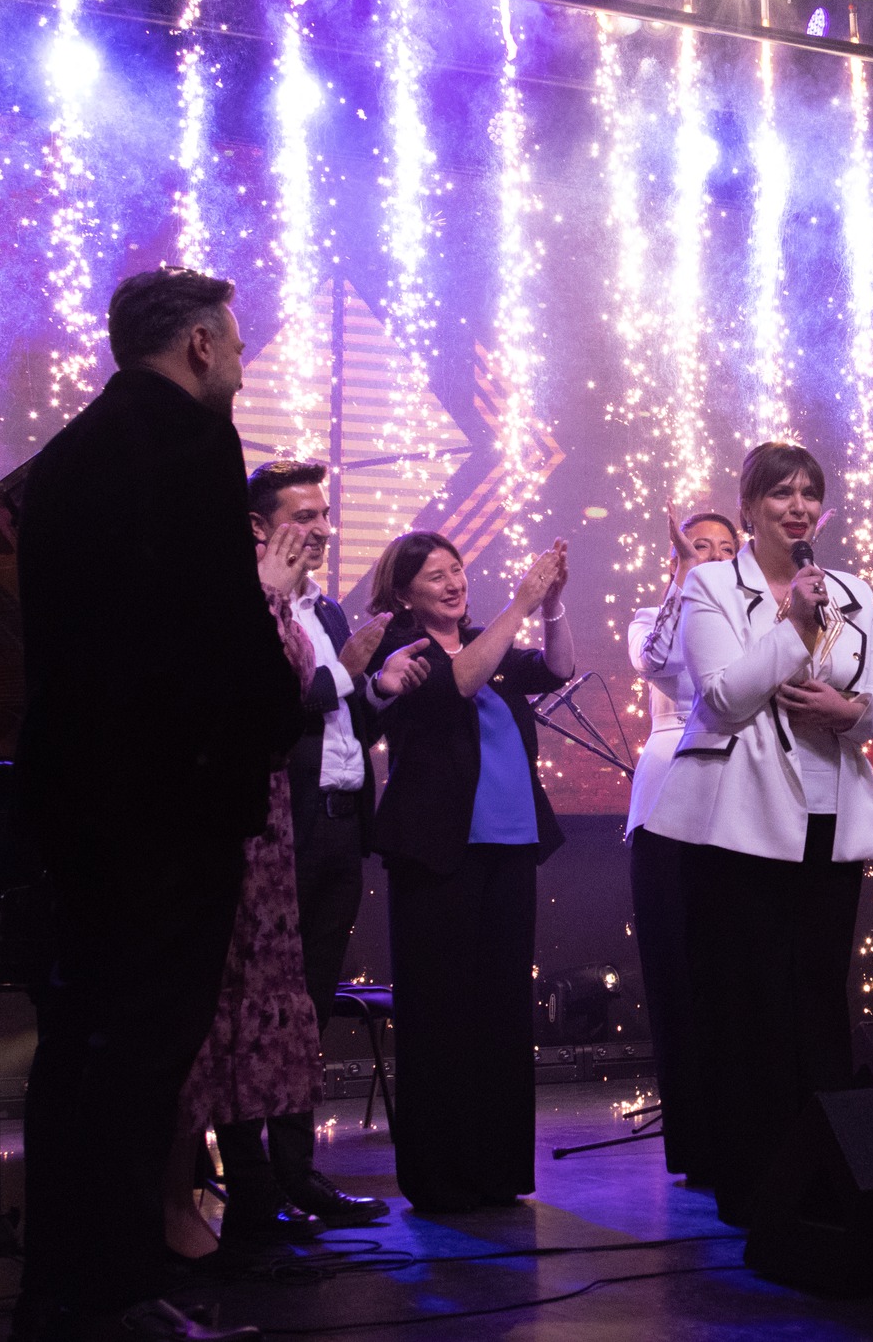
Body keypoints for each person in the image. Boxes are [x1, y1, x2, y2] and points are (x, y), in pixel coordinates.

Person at [15, 267, 298, 1342]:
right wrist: (277, 710)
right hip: (171, 800)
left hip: (78, 798)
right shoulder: (189, 441)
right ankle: (121, 1290)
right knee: (145, 1051)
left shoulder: (65, 454)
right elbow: (216, 625)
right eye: (236, 346)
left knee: (80, 1039)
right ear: (197, 346)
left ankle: (60, 1287)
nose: (242, 366)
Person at [644, 441, 873, 1227]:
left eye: (809, 493)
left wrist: (851, 712)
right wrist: (793, 623)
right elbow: (722, 698)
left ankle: (825, 1176)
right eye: (781, 493)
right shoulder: (712, 583)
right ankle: (754, 1183)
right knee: (747, 1006)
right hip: (738, 825)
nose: (798, 507)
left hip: (830, 816)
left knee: (818, 1000)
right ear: (749, 507)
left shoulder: (851, 589)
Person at [199, 462, 430, 1238]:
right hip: (275, 828)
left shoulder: (325, 609)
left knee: (308, 1006)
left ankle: (298, 1173)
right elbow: (264, 708)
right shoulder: (240, 603)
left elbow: (344, 722)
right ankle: (252, 1182)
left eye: (325, 514)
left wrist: (378, 687)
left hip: (336, 823)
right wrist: (347, 677)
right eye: (304, 515)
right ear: (259, 526)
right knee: (253, 1007)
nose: (323, 528)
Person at [365, 531, 573, 1211]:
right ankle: (440, 1177)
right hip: (438, 849)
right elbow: (458, 684)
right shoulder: (404, 650)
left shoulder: (489, 641)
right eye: (435, 575)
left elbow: (558, 668)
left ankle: (496, 1169)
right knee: (440, 1012)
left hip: (510, 843)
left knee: (501, 1010)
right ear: (404, 593)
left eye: (456, 569)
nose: (454, 582)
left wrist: (552, 605)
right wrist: (521, 603)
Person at [161, 521, 327, 1258]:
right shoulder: (211, 598)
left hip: (264, 821)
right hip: (204, 816)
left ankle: (251, 1199)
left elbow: (283, 701)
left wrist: (272, 602)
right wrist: (265, 598)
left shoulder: (278, 606)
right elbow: (221, 693)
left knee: (245, 1011)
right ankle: (170, 1206)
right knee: (192, 1013)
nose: (308, 535)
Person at [625, 506, 739, 1182]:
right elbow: (660, 663)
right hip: (670, 795)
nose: (713, 556)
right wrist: (685, 583)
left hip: (744, 798)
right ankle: (697, 1142)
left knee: (735, 972)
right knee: (678, 973)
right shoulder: (652, 615)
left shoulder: (755, 620)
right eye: (699, 546)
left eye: (725, 548)